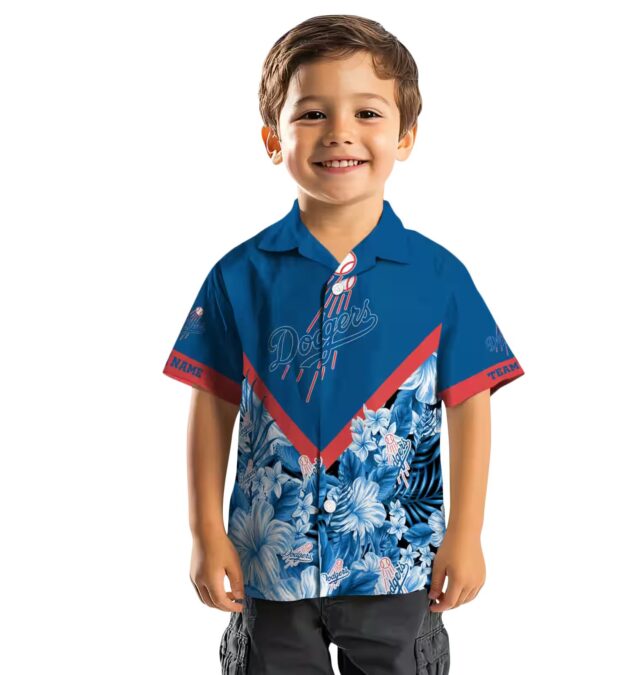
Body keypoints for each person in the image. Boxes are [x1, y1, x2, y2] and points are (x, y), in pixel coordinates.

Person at [162, 14, 525, 675]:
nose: (339, 132)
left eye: (367, 112)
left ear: (405, 135)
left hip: (397, 563)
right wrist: (204, 530)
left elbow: (470, 404)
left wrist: (467, 533)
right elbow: (212, 404)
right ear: (272, 138)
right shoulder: (238, 276)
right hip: (269, 565)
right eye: (311, 114)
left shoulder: (439, 277)